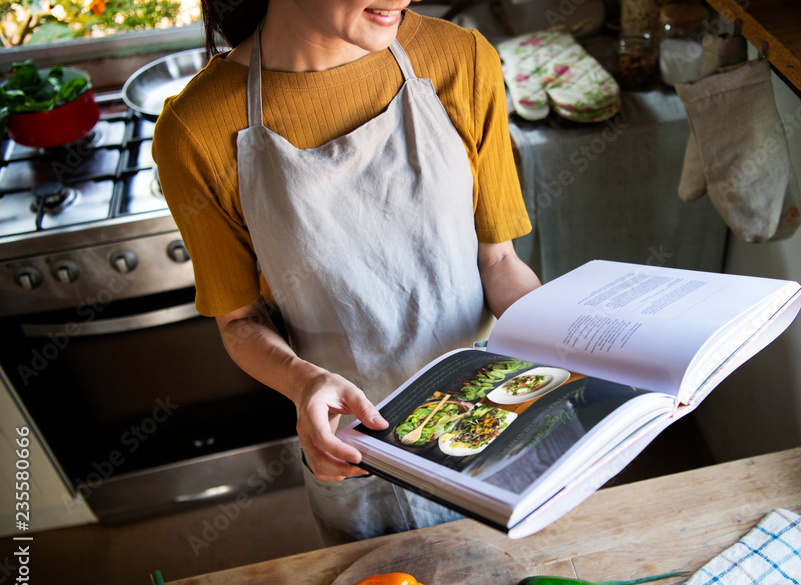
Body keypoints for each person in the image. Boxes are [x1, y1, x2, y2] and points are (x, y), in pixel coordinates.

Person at [151, 0, 541, 545]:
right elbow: (239, 322)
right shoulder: (196, 129)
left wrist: (576, 351)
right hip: (361, 452)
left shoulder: (462, 58)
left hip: (497, 415)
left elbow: (497, 261)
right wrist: (301, 380)